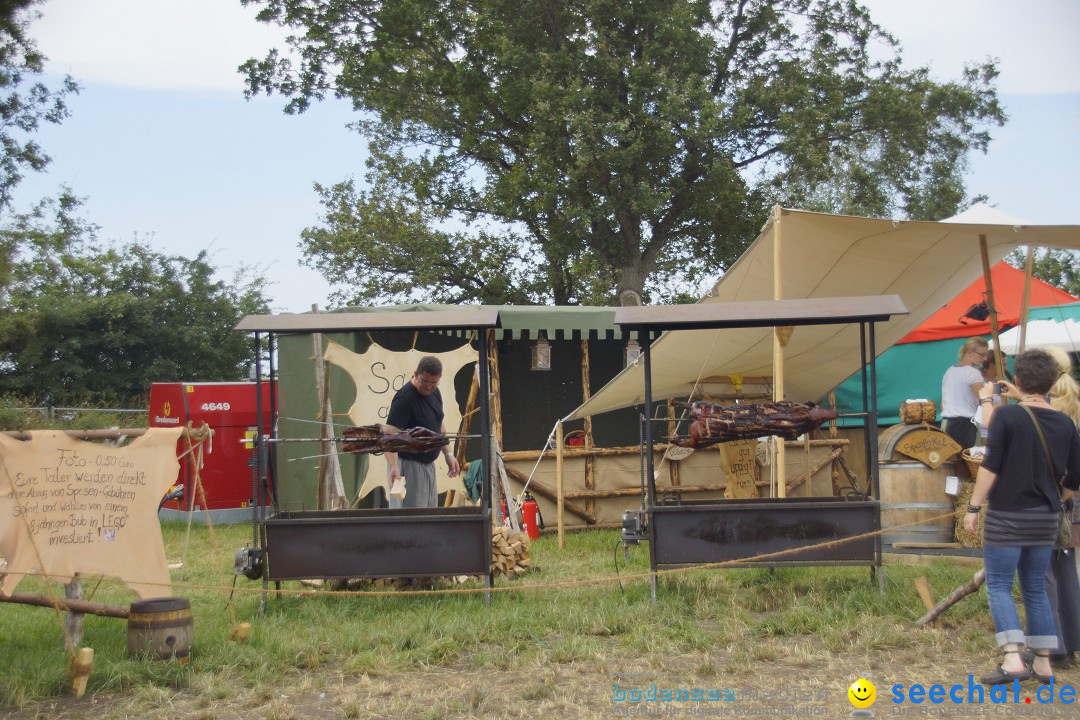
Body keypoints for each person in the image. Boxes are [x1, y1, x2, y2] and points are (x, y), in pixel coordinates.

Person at [964, 349, 1080, 686]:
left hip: (1007, 514)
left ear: (1016, 380)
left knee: (999, 586)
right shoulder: (1065, 422)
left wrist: (973, 508)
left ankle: (1013, 659)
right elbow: (1074, 478)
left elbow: (990, 466)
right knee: (1036, 589)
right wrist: (1055, 498)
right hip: (1045, 516)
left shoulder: (1007, 417)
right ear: (1051, 383)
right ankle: (1043, 664)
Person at [384, 356, 460, 508]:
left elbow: (438, 424)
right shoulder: (404, 399)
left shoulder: (435, 392)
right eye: (425, 381)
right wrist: (393, 466)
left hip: (428, 465)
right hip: (409, 464)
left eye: (434, 382)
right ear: (416, 374)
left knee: (429, 514)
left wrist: (448, 454)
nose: (429, 387)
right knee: (413, 516)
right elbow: (388, 435)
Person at [941, 337, 990, 453]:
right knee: (966, 461)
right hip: (964, 425)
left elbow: (942, 405)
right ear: (970, 353)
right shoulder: (973, 373)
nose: (985, 359)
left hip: (946, 423)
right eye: (982, 355)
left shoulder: (949, 371)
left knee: (948, 461)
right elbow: (983, 399)